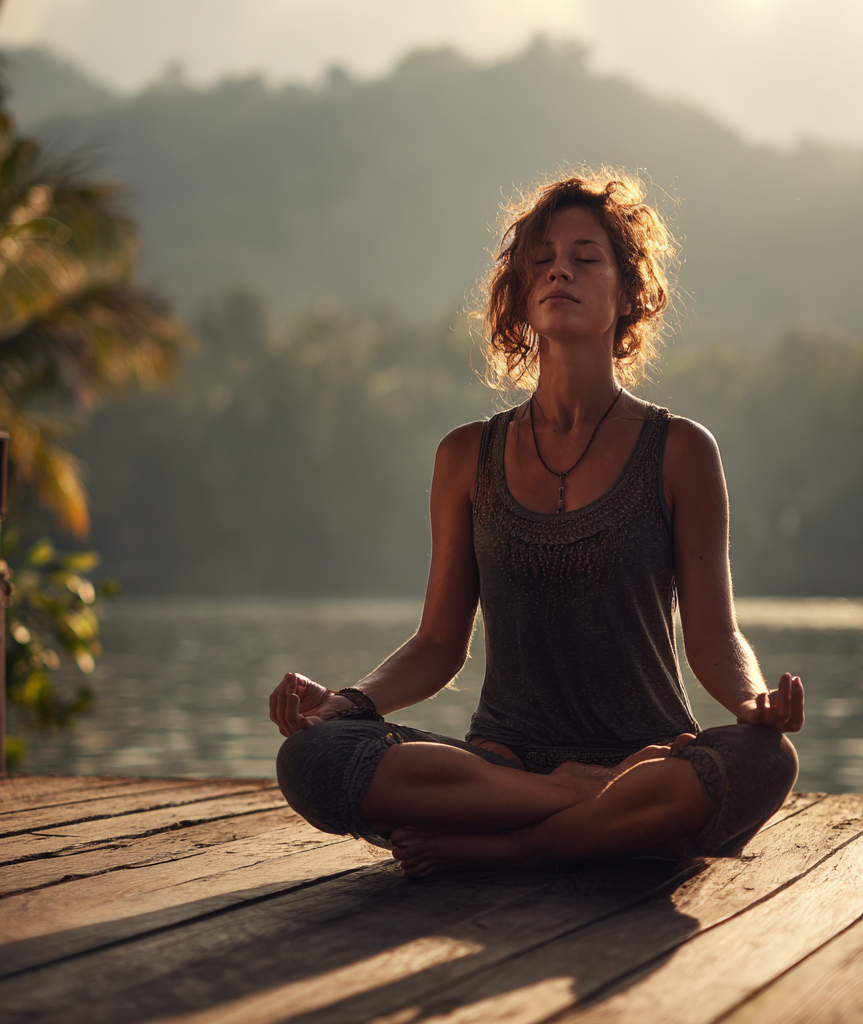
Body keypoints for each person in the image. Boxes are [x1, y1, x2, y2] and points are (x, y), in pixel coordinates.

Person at [269, 171, 803, 878]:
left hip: (648, 758)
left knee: (764, 759)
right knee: (312, 757)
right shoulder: (468, 455)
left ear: (627, 292)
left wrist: (750, 700)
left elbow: (714, 634)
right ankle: (578, 811)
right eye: (542, 260)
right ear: (522, 294)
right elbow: (437, 643)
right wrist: (351, 702)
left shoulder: (680, 450)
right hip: (501, 762)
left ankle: (520, 843)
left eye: (586, 257)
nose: (560, 270)